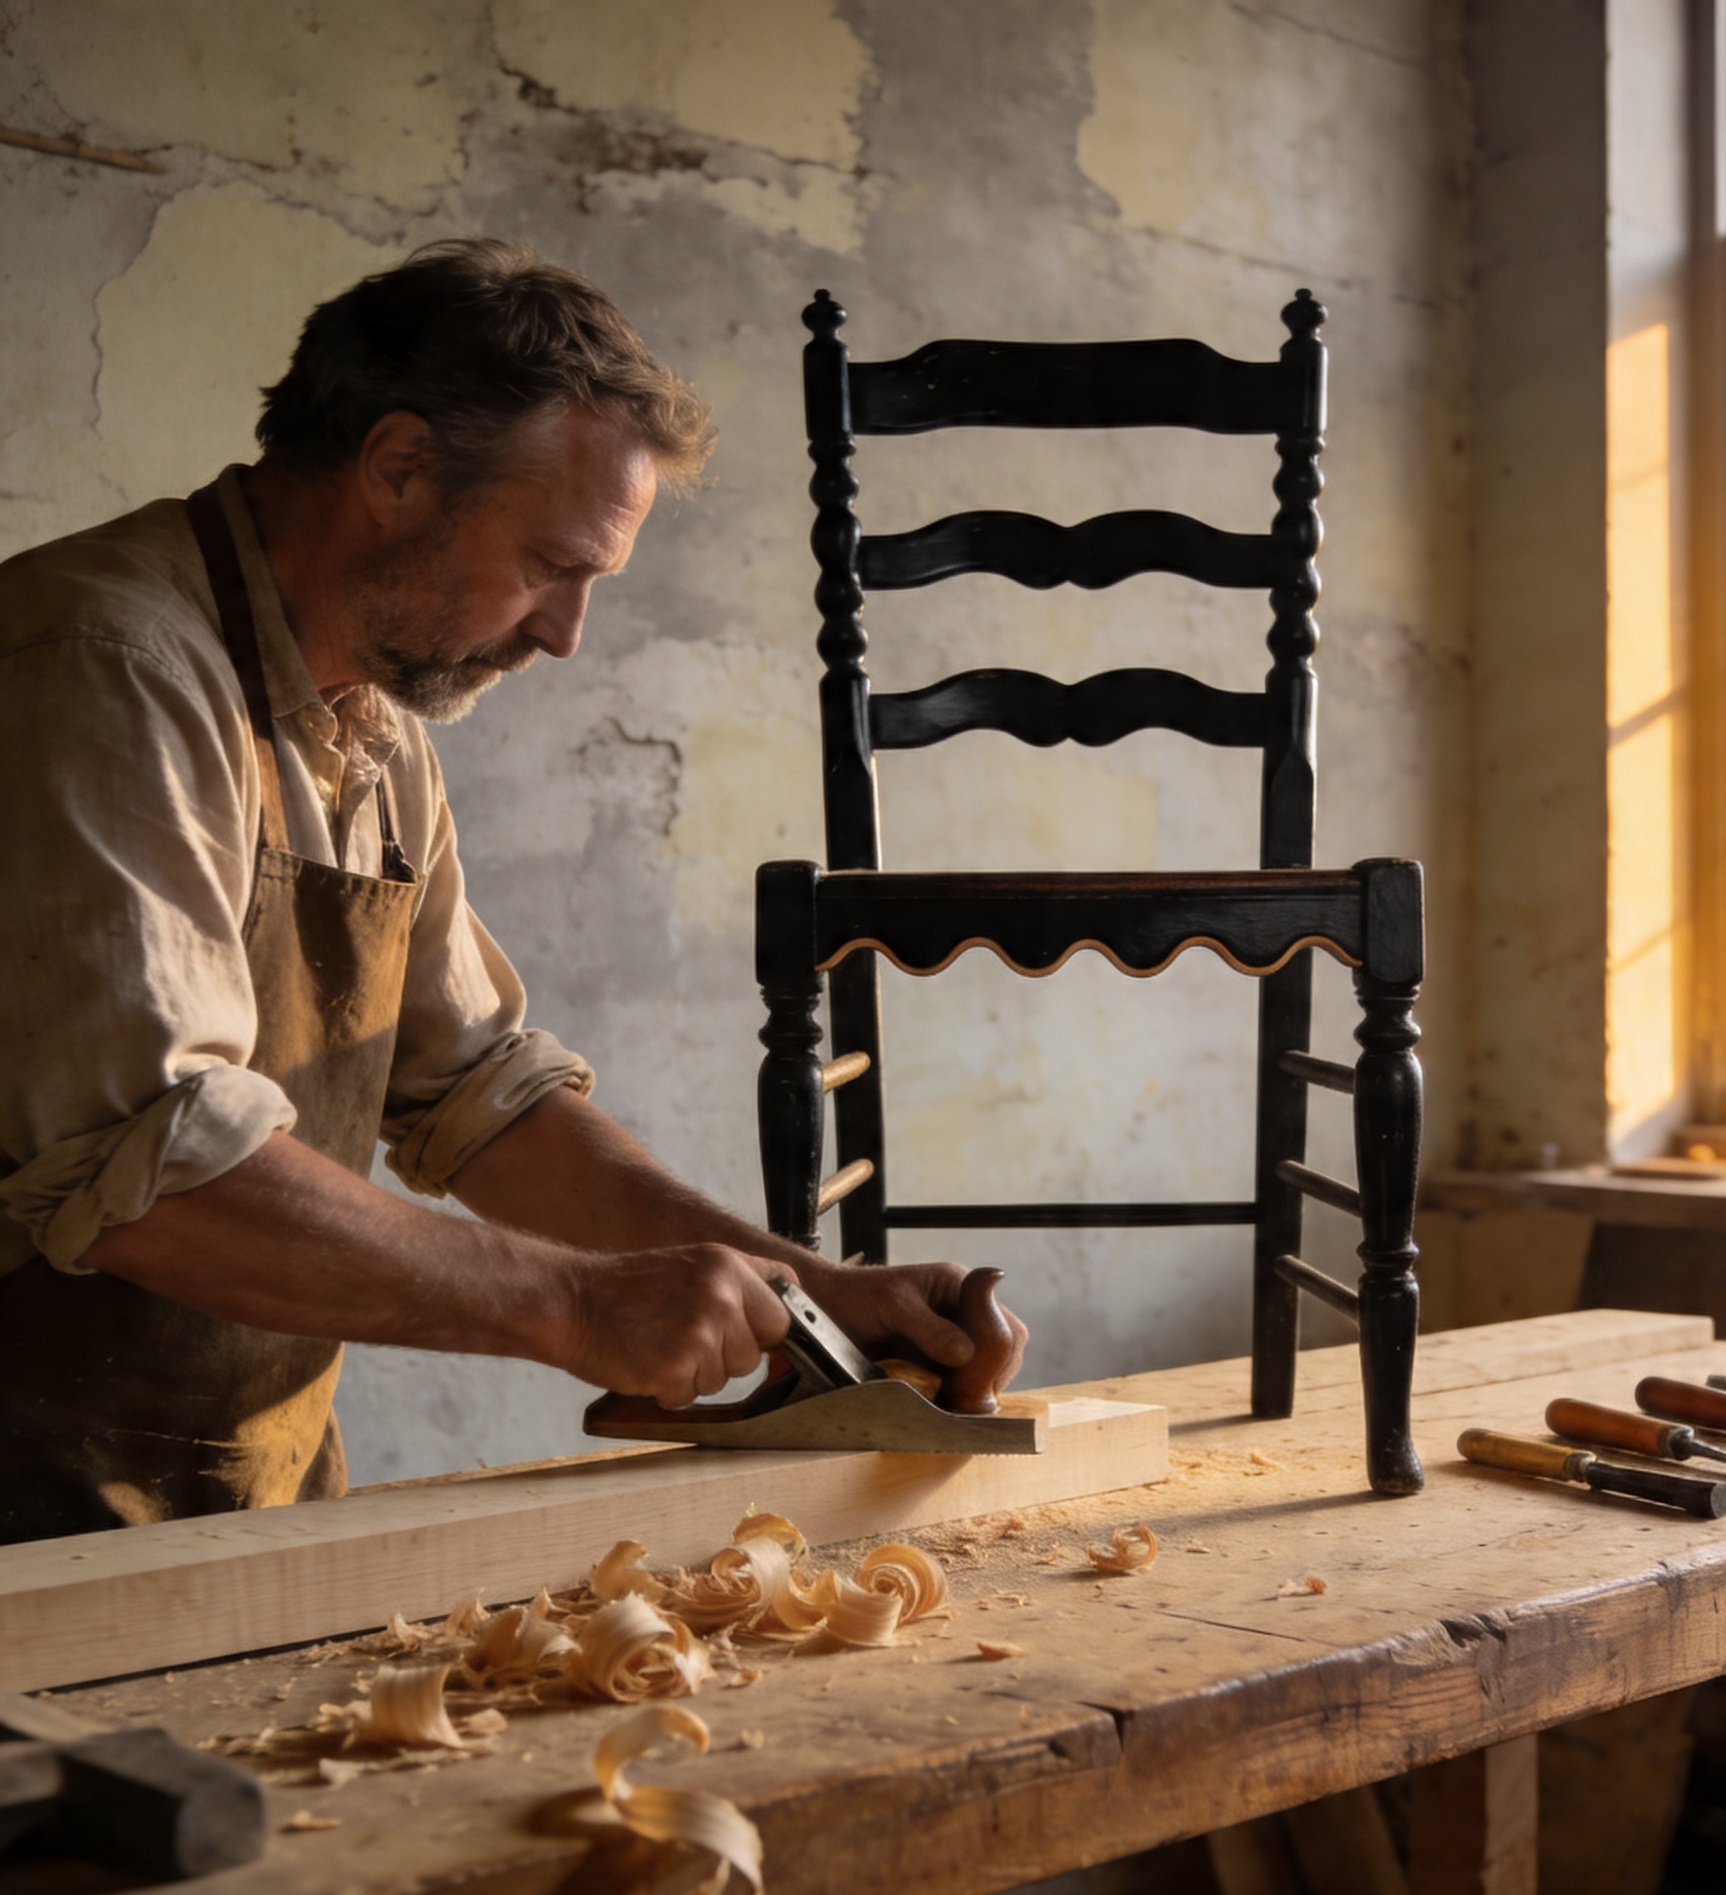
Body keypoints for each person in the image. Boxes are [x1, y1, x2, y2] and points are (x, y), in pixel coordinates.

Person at [0, 240, 1025, 1543]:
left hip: (245, 1505)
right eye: (552, 564)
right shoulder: (99, 669)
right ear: (398, 468)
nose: (564, 634)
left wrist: (810, 1294)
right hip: (26, 1520)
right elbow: (163, 1176)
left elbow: (484, 1099)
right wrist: (579, 1307)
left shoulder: (372, 728)